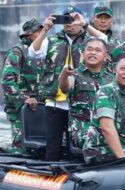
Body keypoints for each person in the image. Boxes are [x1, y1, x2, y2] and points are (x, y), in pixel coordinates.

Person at [28, 5, 107, 161]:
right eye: (65, 19)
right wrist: (45, 29)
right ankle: (53, 175)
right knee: (53, 146)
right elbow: (33, 52)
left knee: (76, 145)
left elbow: (104, 41)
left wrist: (85, 25)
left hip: (81, 102)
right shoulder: (51, 39)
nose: (69, 23)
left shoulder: (90, 40)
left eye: (73, 19)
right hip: (55, 102)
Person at [58, 37, 114, 149]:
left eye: (98, 50)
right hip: (83, 129)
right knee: (106, 139)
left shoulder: (112, 78)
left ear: (106, 56)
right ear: (83, 53)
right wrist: (64, 74)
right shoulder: (74, 74)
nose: (93, 53)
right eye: (89, 49)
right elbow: (65, 87)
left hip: (108, 126)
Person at [1, 19, 44, 154]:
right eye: (37, 32)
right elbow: (7, 81)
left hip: (40, 107)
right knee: (21, 148)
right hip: (21, 108)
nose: (41, 34)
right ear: (28, 35)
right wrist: (23, 99)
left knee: (39, 147)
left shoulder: (44, 52)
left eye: (42, 31)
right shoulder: (18, 52)